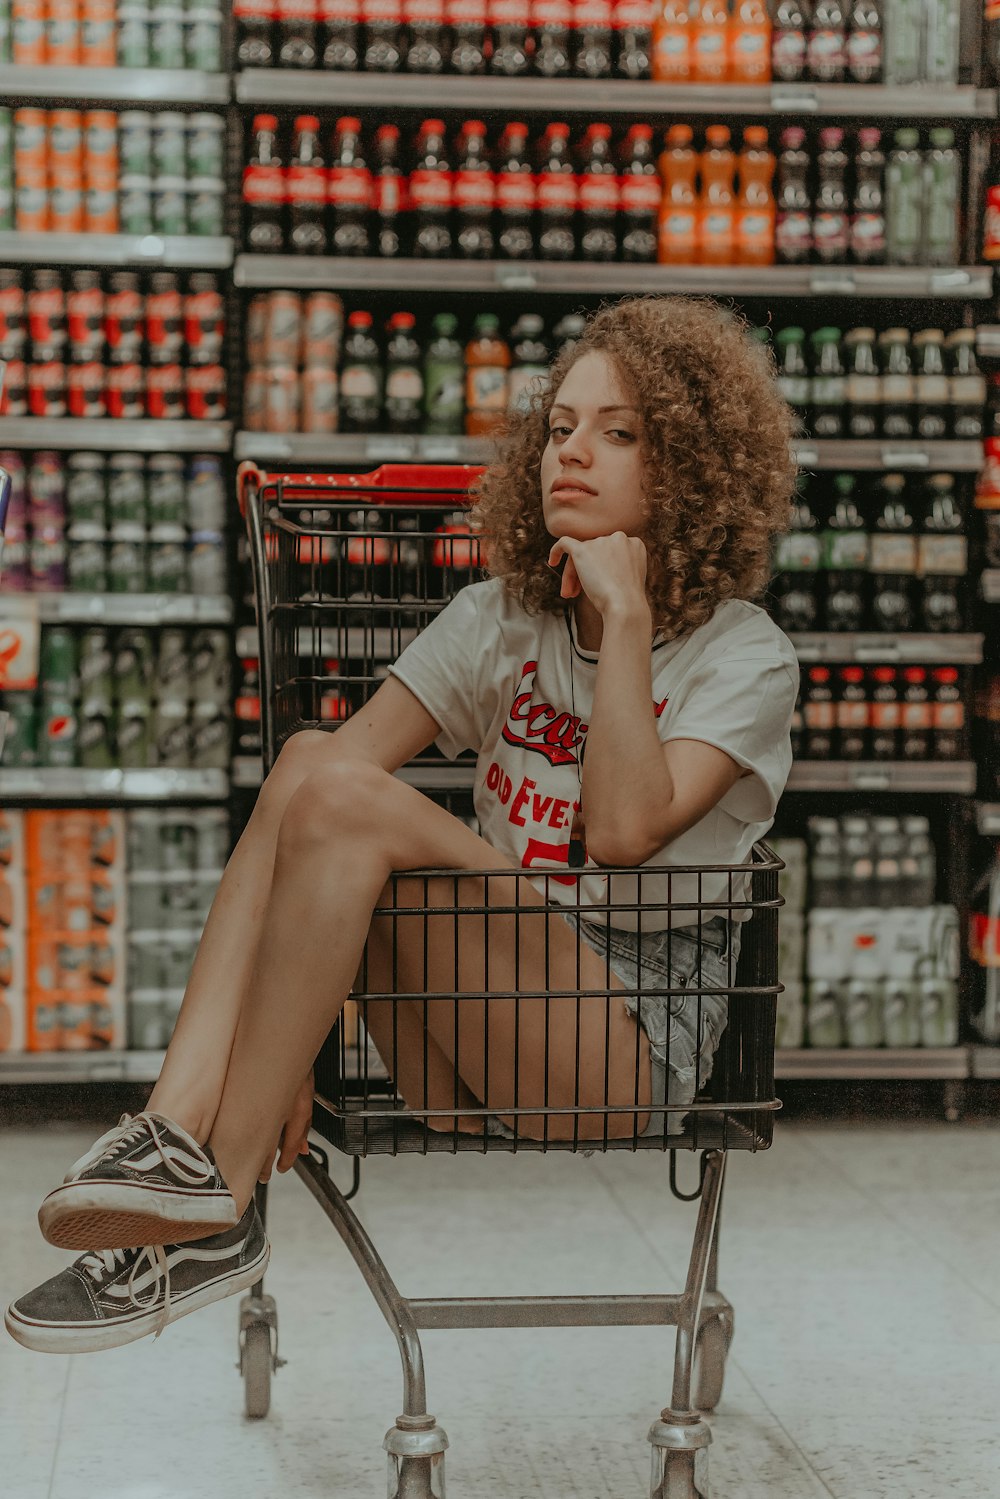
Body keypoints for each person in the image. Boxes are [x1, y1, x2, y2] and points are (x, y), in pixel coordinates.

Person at [5, 296, 799, 1355]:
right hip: (461, 1028)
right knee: (309, 766)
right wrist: (282, 1059)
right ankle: (177, 1135)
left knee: (334, 787)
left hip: (618, 1050)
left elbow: (620, 832)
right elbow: (316, 789)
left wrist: (629, 619)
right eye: (560, 425)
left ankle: (211, 1202)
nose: (572, 451)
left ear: (691, 465)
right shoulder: (497, 618)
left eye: (619, 431)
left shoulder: (745, 656)